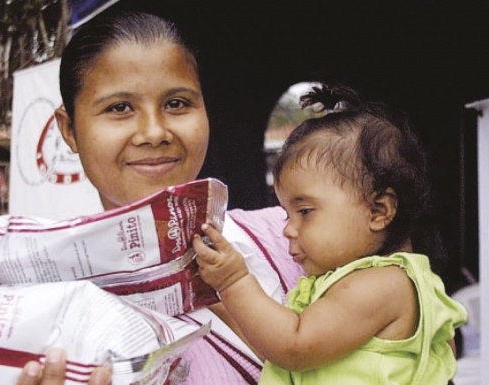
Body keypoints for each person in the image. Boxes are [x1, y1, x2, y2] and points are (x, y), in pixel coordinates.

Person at [16, 10, 303, 385]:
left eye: (177, 103)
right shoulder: (53, 325)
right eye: (119, 108)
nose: (154, 132)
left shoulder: (291, 237)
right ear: (69, 130)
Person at [192, 84, 468, 384]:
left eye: (305, 212)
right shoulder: (352, 280)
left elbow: (293, 347)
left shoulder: (382, 285)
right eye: (286, 214)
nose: (287, 228)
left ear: (378, 211)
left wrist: (233, 281)